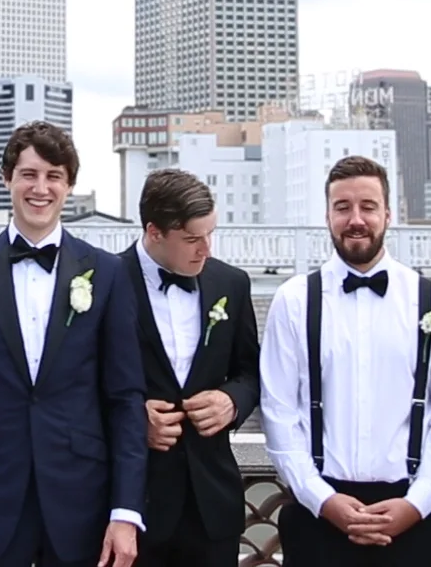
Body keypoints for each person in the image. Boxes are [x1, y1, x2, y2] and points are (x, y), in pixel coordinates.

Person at [0, 121, 146, 567]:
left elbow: (125, 400)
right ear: (8, 179)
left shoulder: (107, 272)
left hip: (85, 501)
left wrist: (126, 510)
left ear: (69, 185)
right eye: (29, 174)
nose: (40, 188)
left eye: (53, 176)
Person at [260, 155, 431, 567]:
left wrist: (417, 503)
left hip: (417, 520)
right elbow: (279, 412)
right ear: (327, 215)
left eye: (368, 206)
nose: (355, 219)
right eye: (343, 207)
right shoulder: (293, 301)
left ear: (388, 214)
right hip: (319, 519)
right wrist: (322, 499)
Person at [119, 168, 261, 567]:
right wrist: (132, 419)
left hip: (212, 507)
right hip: (130, 508)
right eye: (193, 239)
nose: (207, 249)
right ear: (154, 232)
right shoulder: (105, 281)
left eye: (210, 234)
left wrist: (231, 401)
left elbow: (251, 372)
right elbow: (76, 384)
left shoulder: (231, 284)